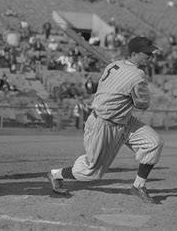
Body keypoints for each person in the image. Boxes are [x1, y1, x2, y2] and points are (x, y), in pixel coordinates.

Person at [47, 36, 164, 204]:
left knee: (153, 143)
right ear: (135, 54)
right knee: (91, 172)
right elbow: (143, 104)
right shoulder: (137, 75)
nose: (151, 57)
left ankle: (139, 186)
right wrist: (138, 89)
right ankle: (56, 174)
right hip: (103, 124)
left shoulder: (114, 65)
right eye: (147, 53)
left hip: (124, 120)